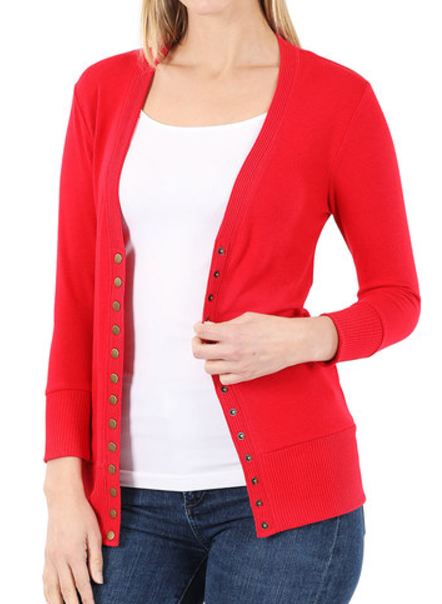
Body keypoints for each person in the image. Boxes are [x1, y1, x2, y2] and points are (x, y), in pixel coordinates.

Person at [42, 1, 421, 603]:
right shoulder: (102, 90)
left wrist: (305, 338)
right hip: (126, 504)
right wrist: (62, 487)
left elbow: (398, 297)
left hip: (292, 510)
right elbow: (75, 302)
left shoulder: (339, 99)